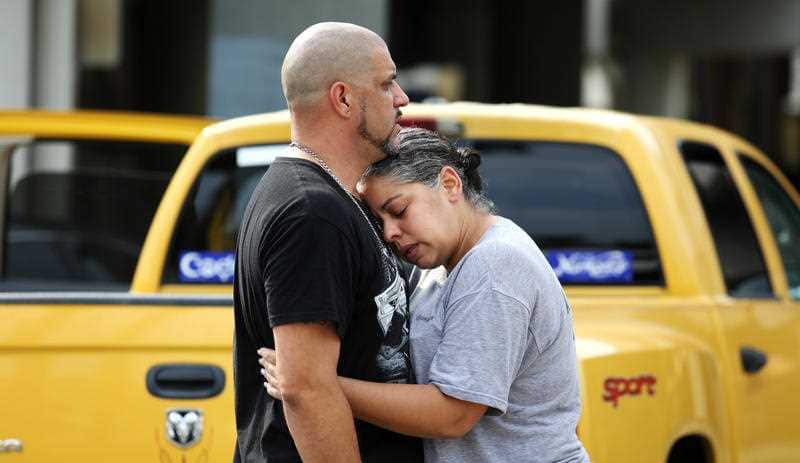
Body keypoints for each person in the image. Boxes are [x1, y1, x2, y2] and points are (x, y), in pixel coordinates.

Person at [260, 127, 590, 462]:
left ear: (449, 184)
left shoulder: (495, 264)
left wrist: (316, 384)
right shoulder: (440, 264)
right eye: (379, 222)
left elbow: (453, 414)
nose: (390, 233)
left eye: (399, 210)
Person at [233, 22, 423, 462]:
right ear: (343, 98)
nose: (401, 98)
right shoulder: (311, 213)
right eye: (386, 83)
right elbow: (305, 389)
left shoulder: (331, 199)